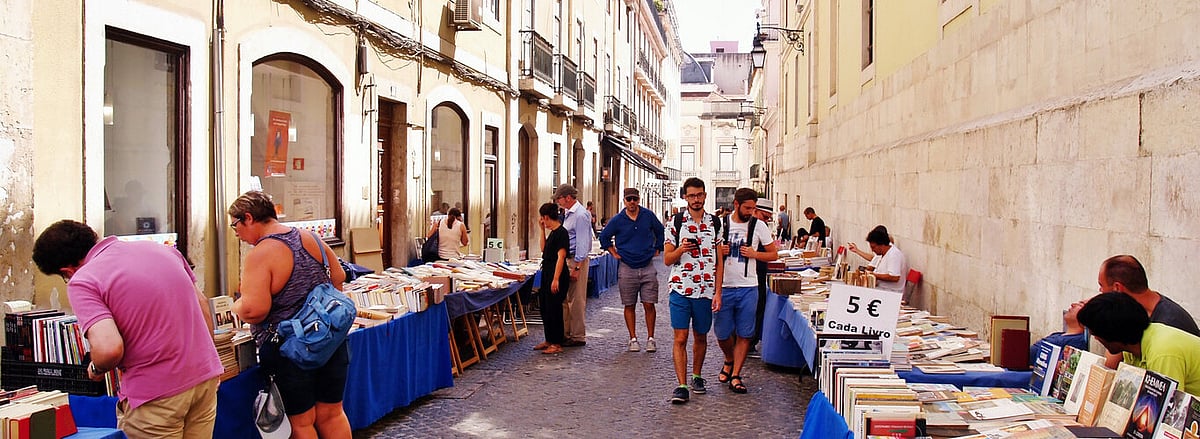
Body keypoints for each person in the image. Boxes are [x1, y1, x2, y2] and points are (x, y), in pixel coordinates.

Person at [32, 220, 223, 438]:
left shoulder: (83, 280)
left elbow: (109, 349)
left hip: (155, 391)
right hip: (203, 376)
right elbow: (203, 308)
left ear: (67, 270)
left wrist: (96, 368)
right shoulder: (162, 250)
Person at [228, 191, 351, 438]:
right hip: (329, 341)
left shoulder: (262, 253)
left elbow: (254, 310)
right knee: (332, 414)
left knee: (301, 423)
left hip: (290, 349)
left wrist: (236, 306)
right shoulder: (312, 238)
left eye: (235, 225)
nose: (237, 234)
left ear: (249, 218)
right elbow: (339, 277)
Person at [664, 177, 724, 404]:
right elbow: (668, 259)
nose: (696, 199)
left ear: (705, 195)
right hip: (680, 288)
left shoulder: (715, 223)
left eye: (699, 195)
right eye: (691, 196)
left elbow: (719, 262)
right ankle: (681, 385)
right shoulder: (675, 223)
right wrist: (681, 248)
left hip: (706, 290)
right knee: (680, 337)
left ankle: (697, 375)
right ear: (685, 197)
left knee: (701, 336)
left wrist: (718, 292)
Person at [715, 189, 779, 394]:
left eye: (754, 208)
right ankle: (729, 359)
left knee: (745, 333)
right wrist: (719, 251)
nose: (751, 212)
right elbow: (705, 251)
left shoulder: (759, 226)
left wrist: (755, 253)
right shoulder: (720, 224)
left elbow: (773, 254)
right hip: (724, 286)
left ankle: (736, 374)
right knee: (722, 333)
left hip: (748, 286)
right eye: (748, 208)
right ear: (736, 204)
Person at [1077, 292, 1200, 397]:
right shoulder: (1131, 347)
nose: (1097, 339)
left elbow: (1166, 410)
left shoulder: (1162, 352)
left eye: (1096, 334)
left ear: (1112, 334)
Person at [1097, 255, 1200, 368]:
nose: (1100, 291)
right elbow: (1108, 365)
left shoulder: (1171, 323)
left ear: (1117, 288)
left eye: (1101, 285)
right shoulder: (1128, 317)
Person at [599, 188, 666, 353]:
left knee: (649, 303)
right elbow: (604, 237)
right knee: (629, 304)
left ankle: (651, 338)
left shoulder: (648, 216)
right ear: (624, 201)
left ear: (639, 200)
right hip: (627, 267)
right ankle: (633, 338)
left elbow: (660, 230)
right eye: (629, 199)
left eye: (634, 199)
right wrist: (613, 252)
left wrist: (658, 248)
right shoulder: (618, 220)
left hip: (647, 265)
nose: (632, 202)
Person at [554, 184, 592, 347]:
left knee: (576, 300)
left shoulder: (580, 215)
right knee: (566, 298)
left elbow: (583, 242)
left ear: (567, 197)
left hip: (576, 260)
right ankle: (566, 332)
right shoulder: (568, 214)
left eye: (559, 198)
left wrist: (577, 266)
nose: (558, 202)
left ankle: (577, 336)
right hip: (567, 259)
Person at [534, 203, 570, 355]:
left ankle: (557, 342)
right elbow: (543, 249)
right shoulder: (552, 233)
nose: (543, 221)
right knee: (545, 307)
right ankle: (549, 339)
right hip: (547, 272)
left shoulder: (561, 233)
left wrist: (556, 279)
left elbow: (561, 257)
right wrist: (541, 230)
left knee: (554, 308)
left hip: (557, 274)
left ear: (546, 217)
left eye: (543, 219)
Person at [748, 198, 777, 357]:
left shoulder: (760, 227)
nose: (766, 221)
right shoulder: (752, 227)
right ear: (755, 211)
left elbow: (771, 253)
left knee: (759, 306)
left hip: (759, 271)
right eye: (764, 217)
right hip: (753, 272)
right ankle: (749, 342)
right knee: (755, 307)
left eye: (768, 218)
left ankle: (751, 341)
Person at [847, 225, 907, 294]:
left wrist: (874, 275)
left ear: (882, 245)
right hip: (880, 289)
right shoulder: (882, 254)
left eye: (873, 247)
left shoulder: (894, 254)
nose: (872, 250)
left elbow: (894, 277)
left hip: (890, 292)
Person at [1029, 300, 1089, 366]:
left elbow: (1059, 368)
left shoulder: (1077, 341)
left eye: (1080, 305)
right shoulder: (1058, 334)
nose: (1073, 305)